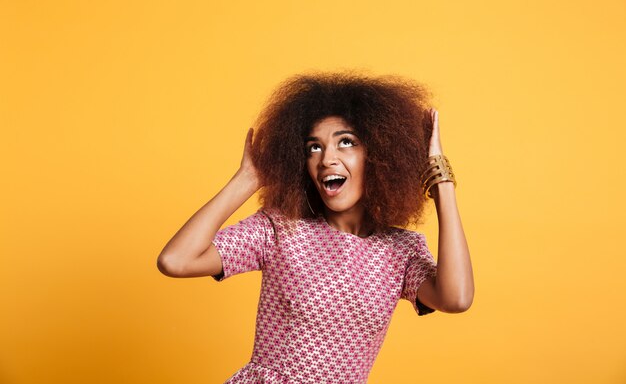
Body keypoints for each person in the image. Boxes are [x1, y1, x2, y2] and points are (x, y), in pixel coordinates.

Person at [157, 71, 474, 384]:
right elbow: (176, 261)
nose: (327, 160)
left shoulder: (400, 250)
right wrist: (247, 179)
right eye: (314, 147)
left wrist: (440, 179)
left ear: (378, 154)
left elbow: (456, 299)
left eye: (345, 143)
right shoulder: (280, 229)